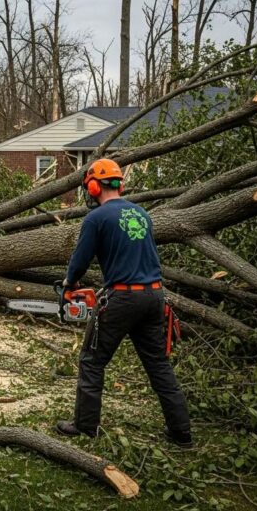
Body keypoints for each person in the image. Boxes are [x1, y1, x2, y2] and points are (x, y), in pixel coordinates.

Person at [55, 158, 192, 448]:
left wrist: (70, 282)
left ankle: (84, 425)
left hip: (122, 297)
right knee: (158, 365)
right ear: (119, 183)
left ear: (92, 186)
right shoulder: (142, 213)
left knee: (92, 360)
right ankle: (181, 432)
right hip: (154, 296)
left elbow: (80, 260)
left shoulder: (96, 218)